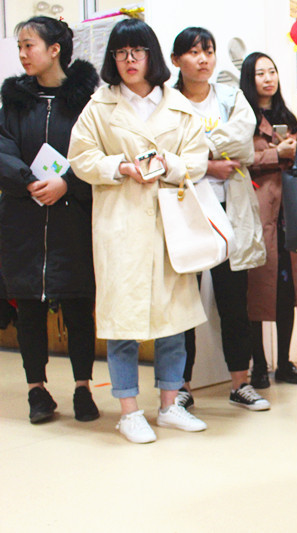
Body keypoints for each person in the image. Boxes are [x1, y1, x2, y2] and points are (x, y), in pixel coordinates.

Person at [68, 18, 208, 443]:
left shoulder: (179, 106)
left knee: (173, 319)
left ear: (152, 55)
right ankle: (128, 410)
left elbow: (197, 160)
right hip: (121, 223)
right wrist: (120, 167)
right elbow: (81, 157)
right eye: (120, 53)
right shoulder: (99, 107)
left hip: (169, 224)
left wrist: (168, 164)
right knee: (123, 321)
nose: (129, 61)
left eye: (137, 51)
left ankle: (169, 404)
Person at [0, 16, 98, 424]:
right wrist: (28, 180)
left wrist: (67, 183)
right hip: (23, 218)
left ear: (54, 49)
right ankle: (36, 390)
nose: (23, 54)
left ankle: (83, 388)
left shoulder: (87, 101)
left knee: (78, 306)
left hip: (73, 217)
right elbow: (2, 149)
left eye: (30, 46)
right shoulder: (14, 102)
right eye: (20, 47)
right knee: (29, 309)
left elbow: (97, 153)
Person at [170, 27, 270, 411]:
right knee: (184, 302)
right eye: (194, 52)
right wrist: (208, 164)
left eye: (208, 51)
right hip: (186, 210)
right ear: (176, 60)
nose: (203, 59)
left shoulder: (229, 96)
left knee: (233, 301)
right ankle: (180, 384)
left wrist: (195, 151)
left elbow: (243, 141)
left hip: (228, 209)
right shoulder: (168, 102)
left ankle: (240, 383)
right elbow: (166, 152)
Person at [239, 51, 297, 387]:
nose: (268, 78)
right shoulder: (242, 116)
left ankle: (283, 363)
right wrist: (274, 154)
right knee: (256, 289)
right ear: (249, 79)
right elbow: (237, 158)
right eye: (260, 73)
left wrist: (294, 152)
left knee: (287, 290)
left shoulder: (288, 117)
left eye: (272, 71)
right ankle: (258, 365)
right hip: (258, 210)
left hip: (287, 211)